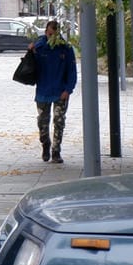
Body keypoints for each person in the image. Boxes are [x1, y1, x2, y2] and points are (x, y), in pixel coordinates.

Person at [28, 19, 77, 163]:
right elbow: (30, 66)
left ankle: (56, 151)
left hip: (60, 91)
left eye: (54, 34)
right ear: (46, 32)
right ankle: (45, 143)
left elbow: (72, 71)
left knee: (59, 121)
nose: (51, 37)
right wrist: (30, 51)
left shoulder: (65, 48)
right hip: (43, 90)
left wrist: (68, 89)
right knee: (42, 122)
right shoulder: (39, 47)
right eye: (49, 34)